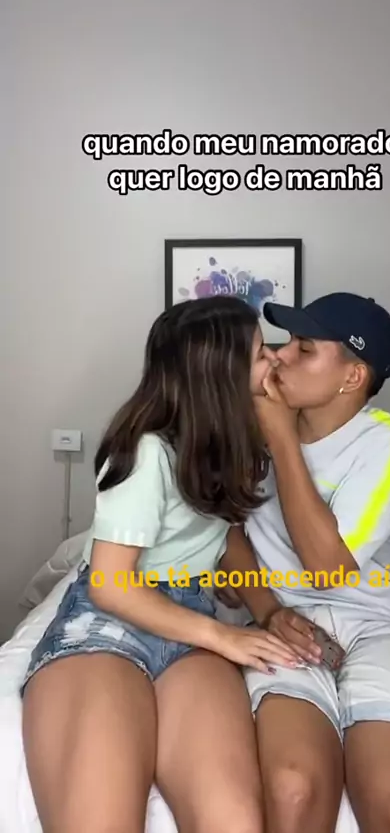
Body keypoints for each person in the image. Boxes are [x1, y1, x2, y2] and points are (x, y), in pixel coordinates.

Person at [21, 295, 302, 833]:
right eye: (261, 353)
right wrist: (221, 636)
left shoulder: (228, 441)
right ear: (220, 376)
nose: (275, 360)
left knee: (235, 822)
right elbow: (110, 585)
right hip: (109, 621)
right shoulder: (145, 451)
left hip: (189, 618)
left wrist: (268, 610)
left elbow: (224, 533)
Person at [221, 293, 390, 833]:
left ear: (352, 377)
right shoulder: (246, 428)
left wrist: (281, 438)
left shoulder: (388, 443)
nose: (280, 356)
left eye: (304, 349)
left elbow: (328, 570)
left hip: (376, 624)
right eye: (285, 342)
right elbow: (225, 533)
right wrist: (268, 610)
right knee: (294, 788)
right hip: (282, 618)